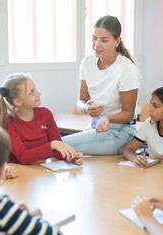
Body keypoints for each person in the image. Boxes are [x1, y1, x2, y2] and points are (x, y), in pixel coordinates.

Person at [62, 15, 141, 155]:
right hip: (95, 126)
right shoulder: (87, 63)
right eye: (94, 38)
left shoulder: (126, 69)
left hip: (120, 132)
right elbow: (81, 101)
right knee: (60, 147)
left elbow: (128, 114)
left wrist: (107, 118)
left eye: (104, 40)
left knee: (60, 145)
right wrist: (86, 107)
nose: (96, 45)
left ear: (117, 41)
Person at [0, 72, 82, 165]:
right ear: (18, 101)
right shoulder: (9, 123)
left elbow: (57, 151)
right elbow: (23, 157)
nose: (39, 93)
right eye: (32, 92)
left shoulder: (45, 114)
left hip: (40, 169)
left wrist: (69, 157)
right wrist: (53, 145)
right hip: (21, 172)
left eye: (35, 88)